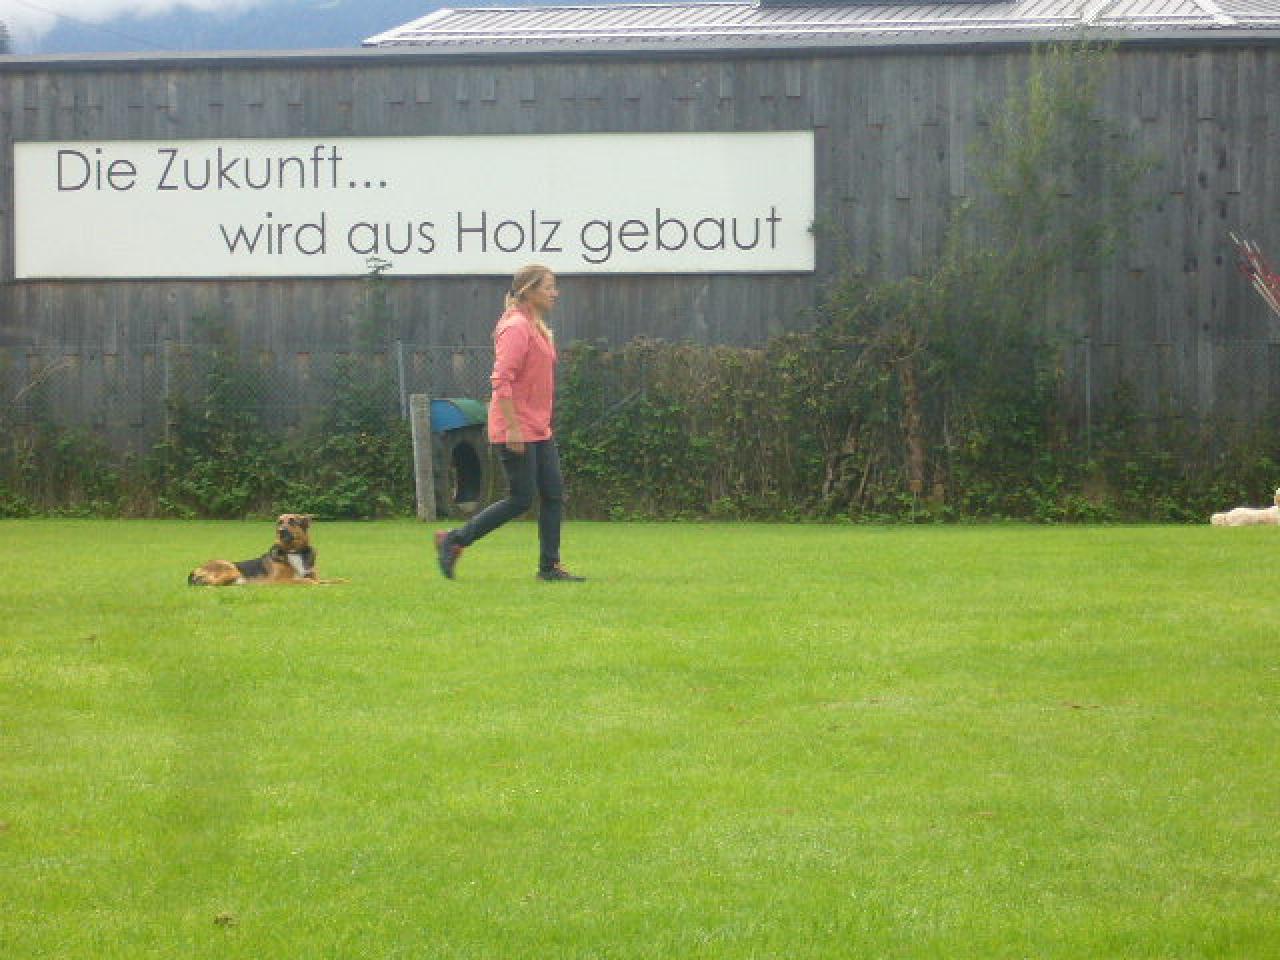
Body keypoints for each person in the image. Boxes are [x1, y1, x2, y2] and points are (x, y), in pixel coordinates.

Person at [434, 264, 585, 582]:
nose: (555, 293)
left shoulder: (535, 326)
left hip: (538, 428)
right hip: (516, 427)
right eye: (549, 287)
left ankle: (549, 568)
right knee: (521, 499)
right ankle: (454, 539)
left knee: (553, 494)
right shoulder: (515, 327)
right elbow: (501, 380)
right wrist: (514, 427)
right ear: (529, 291)